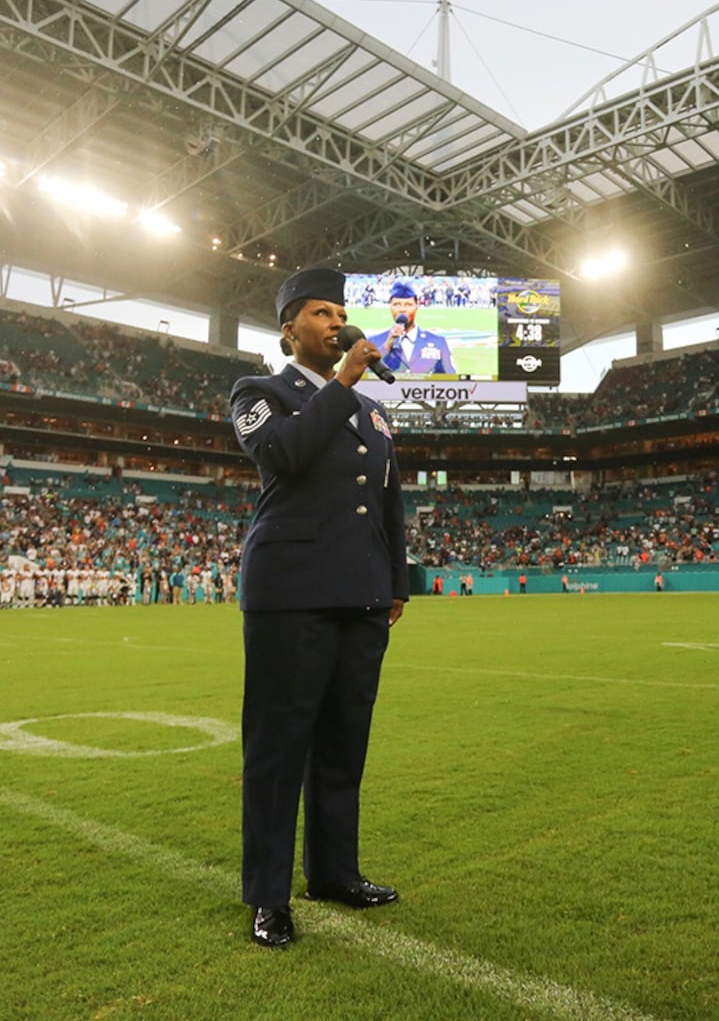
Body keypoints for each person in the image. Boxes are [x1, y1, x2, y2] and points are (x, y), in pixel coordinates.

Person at [229, 266, 410, 949]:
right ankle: (268, 895)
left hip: (360, 595)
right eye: (321, 313)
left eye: (341, 313)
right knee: (278, 750)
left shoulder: (369, 408)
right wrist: (342, 384)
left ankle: (334, 872)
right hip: (290, 593)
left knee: (342, 746)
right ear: (289, 329)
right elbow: (286, 453)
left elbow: (389, 498)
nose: (337, 323)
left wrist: (396, 579)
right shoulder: (260, 392)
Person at [368, 280, 457, 377]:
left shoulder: (438, 342)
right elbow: (363, 377)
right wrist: (386, 347)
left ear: (416, 308)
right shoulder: (374, 342)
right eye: (397, 305)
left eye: (408, 305)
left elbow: (451, 378)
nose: (402, 310)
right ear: (391, 308)